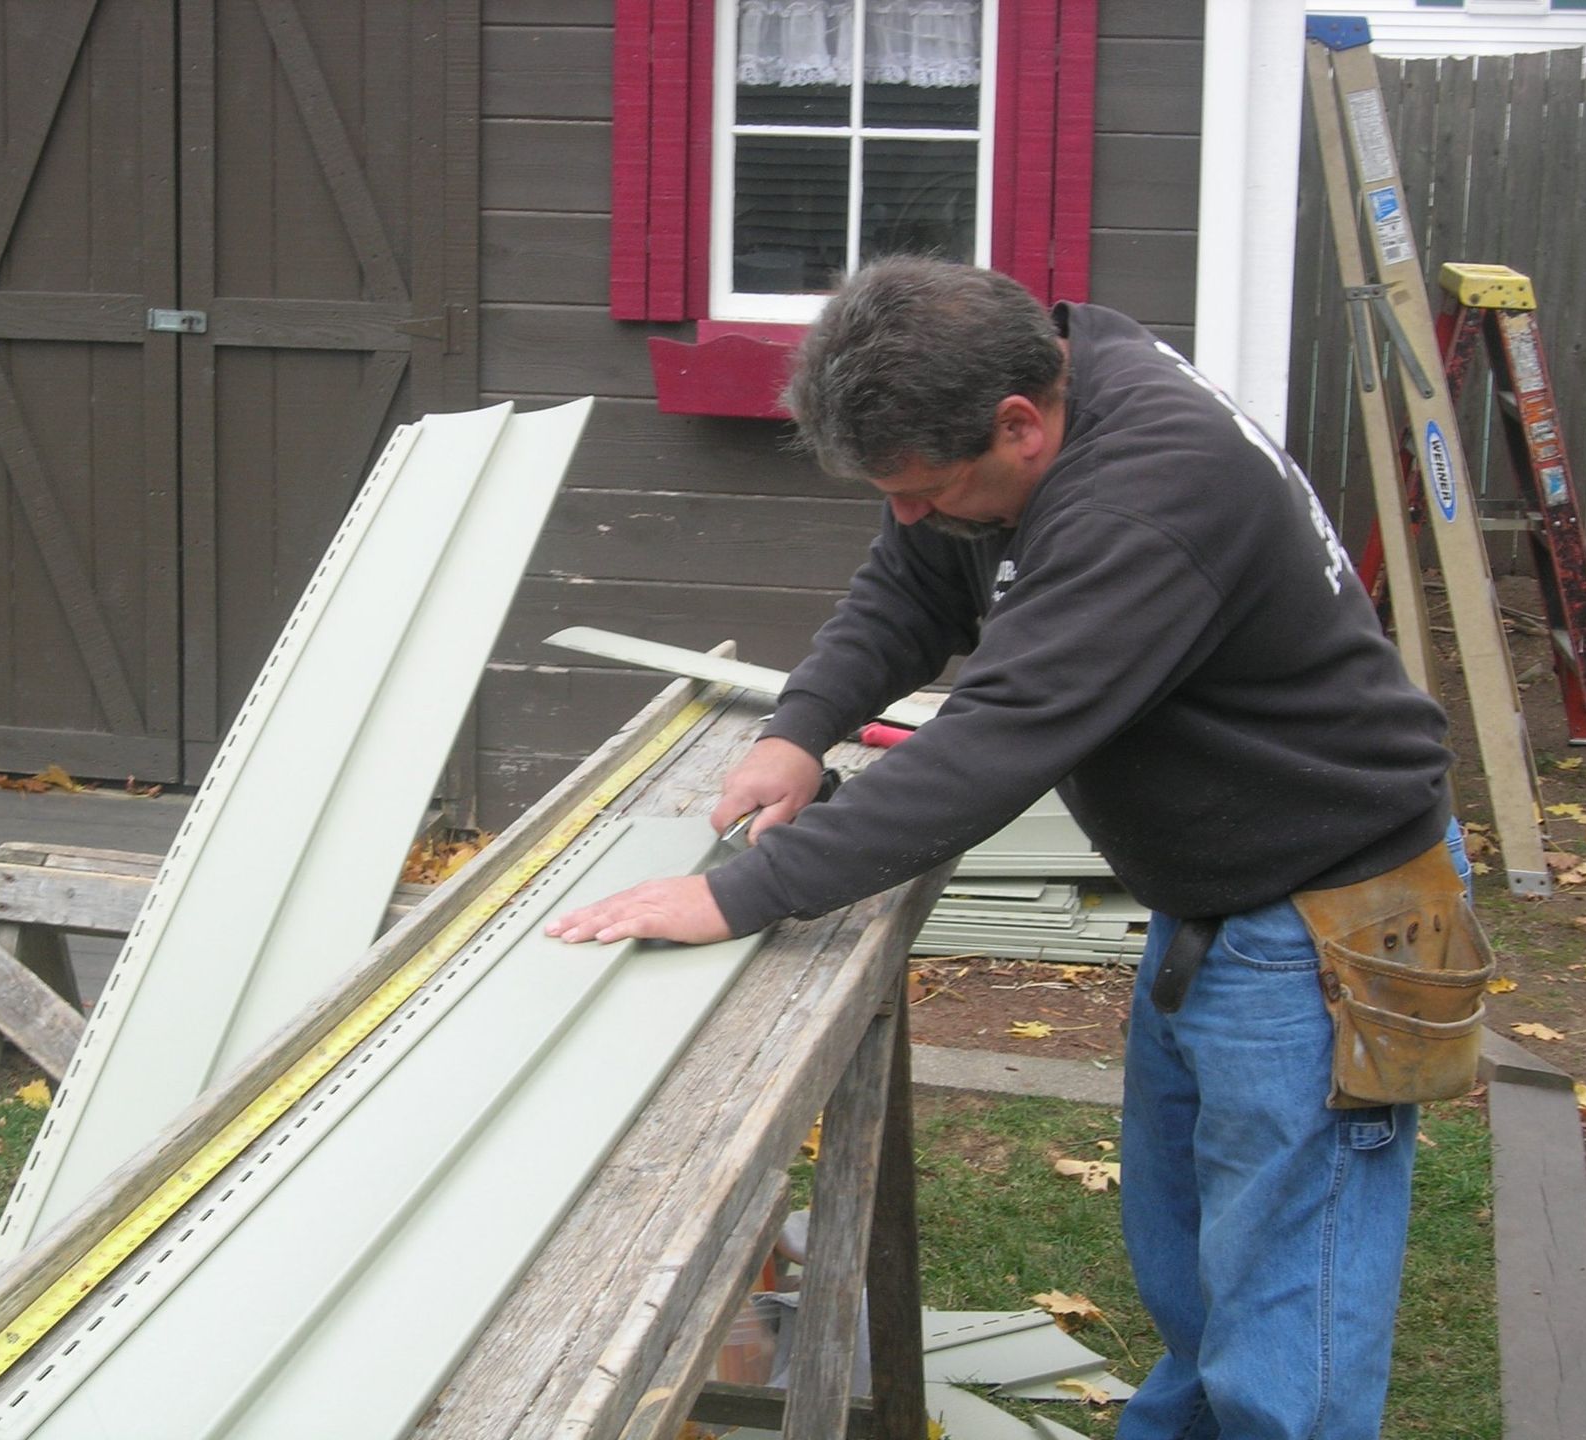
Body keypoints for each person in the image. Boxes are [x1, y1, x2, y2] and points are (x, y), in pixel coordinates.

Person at [547, 258, 1469, 1438]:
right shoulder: (1040, 387)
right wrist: (799, 728)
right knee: (1195, 1268)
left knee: (1295, 1314)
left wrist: (741, 896)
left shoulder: (1148, 495)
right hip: (1225, 905)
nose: (912, 513)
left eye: (928, 488)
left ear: (1020, 425)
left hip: (1330, 920)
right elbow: (910, 586)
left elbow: (997, 738)